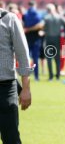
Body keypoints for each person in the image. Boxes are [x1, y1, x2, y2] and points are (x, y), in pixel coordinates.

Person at [0, 8, 32, 143]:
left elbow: (23, 55)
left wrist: (25, 89)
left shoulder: (9, 18)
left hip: (6, 87)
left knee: (11, 137)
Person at [23, 1, 43, 81]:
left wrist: (27, 29)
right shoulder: (38, 14)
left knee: (27, 58)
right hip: (36, 38)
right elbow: (40, 25)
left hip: (27, 38)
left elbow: (23, 25)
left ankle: (26, 75)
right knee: (35, 58)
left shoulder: (25, 14)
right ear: (35, 5)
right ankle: (36, 76)